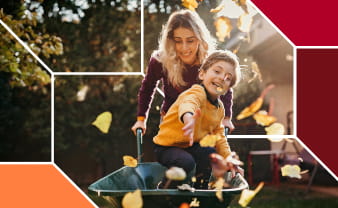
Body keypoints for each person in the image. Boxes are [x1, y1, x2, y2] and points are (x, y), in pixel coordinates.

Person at [131, 9, 235, 136]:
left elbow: (223, 87)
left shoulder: (211, 61)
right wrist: (141, 119)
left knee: (204, 155)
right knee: (177, 156)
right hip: (172, 122)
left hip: (204, 122)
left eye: (190, 40)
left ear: (200, 39)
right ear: (171, 40)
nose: (184, 48)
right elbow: (147, 88)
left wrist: (226, 118)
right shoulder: (161, 60)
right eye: (178, 41)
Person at [153, 50, 242, 189]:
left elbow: (219, 137)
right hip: (167, 146)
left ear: (227, 89)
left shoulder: (219, 109)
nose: (221, 78)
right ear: (202, 74)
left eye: (228, 78)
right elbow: (189, 103)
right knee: (185, 162)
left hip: (189, 146)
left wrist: (229, 159)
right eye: (217, 71)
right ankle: (165, 188)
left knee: (210, 154)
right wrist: (188, 118)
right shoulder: (197, 92)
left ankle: (201, 189)